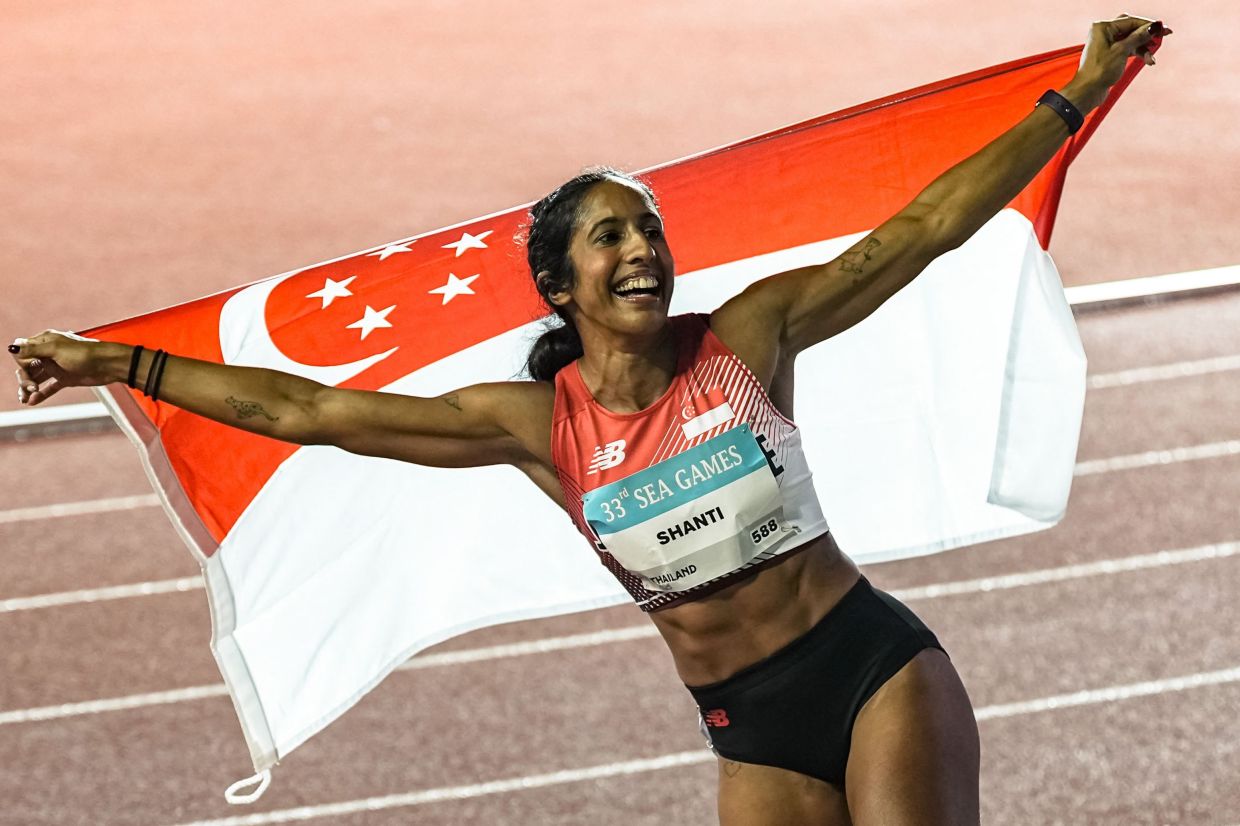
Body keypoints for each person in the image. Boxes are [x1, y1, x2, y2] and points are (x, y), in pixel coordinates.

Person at [11, 15, 1166, 825]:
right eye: (610, 235)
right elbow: (302, 407)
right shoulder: (531, 424)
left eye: (649, 231)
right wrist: (117, 359)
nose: (642, 249)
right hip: (745, 723)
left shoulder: (746, 339)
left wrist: (1069, 100)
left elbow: (914, 232)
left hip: (870, 672)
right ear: (560, 285)